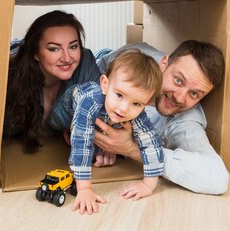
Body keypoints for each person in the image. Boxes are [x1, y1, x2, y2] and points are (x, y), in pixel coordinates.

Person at [93, 40, 229, 195]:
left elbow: (218, 179)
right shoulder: (137, 58)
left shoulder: (185, 121)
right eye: (178, 80)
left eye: (194, 93)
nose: (179, 97)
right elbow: (94, 73)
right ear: (163, 64)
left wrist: (130, 149)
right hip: (103, 57)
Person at [67, 49, 164, 214]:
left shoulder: (135, 112)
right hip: (67, 106)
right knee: (76, 132)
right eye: (119, 95)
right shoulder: (89, 101)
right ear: (105, 85)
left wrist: (148, 185)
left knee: (98, 137)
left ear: (145, 103)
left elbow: (151, 142)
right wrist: (84, 189)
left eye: (136, 103)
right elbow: (82, 141)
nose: (125, 108)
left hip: (102, 117)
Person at [3, 10, 102, 153]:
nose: (67, 58)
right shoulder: (10, 78)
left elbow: (104, 116)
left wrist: (105, 147)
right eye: (54, 49)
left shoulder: (85, 63)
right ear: (36, 53)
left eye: (73, 46)